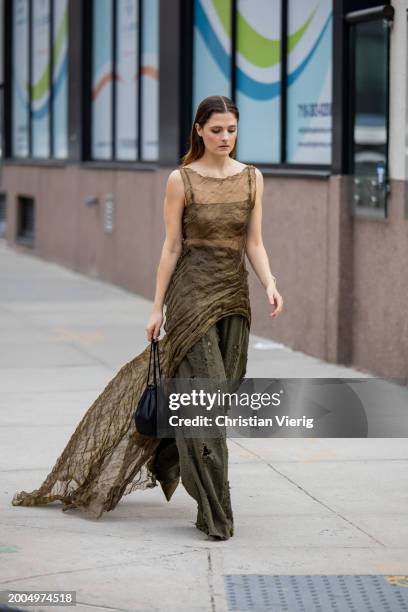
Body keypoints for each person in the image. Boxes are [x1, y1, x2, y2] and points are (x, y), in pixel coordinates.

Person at [11, 95, 283, 541]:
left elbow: (254, 241)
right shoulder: (182, 180)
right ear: (199, 130)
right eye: (216, 130)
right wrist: (156, 307)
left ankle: (167, 454)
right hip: (191, 298)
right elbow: (172, 246)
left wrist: (270, 281)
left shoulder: (253, 179)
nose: (225, 138)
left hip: (235, 297)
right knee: (205, 404)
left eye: (232, 130)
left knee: (223, 390)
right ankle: (216, 512)